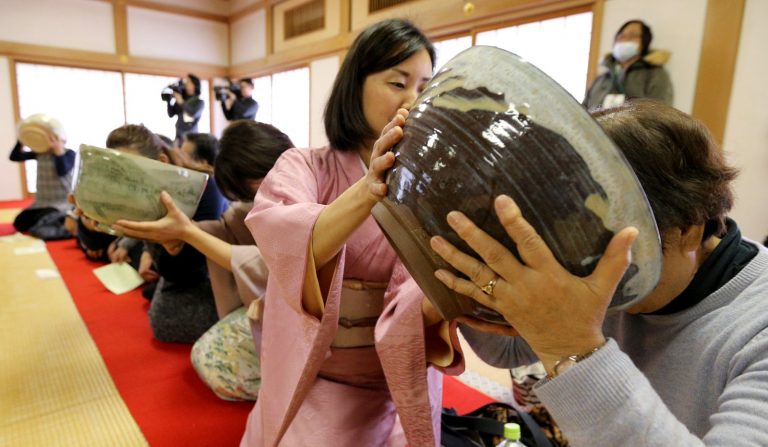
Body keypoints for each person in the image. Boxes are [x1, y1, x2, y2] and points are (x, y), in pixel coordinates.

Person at [429, 100, 768, 445]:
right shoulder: (607, 261)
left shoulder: (756, 329)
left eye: (602, 239)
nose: (584, 262)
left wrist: (572, 347)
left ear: (689, 229)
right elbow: (509, 350)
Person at [241, 19, 462, 446]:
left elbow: (423, 295)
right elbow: (282, 240)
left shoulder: (431, 187)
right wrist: (368, 189)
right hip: (314, 375)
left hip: (396, 375)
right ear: (354, 86)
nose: (414, 100)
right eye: (398, 83)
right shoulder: (303, 165)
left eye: (425, 86)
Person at [113, 121, 294, 400]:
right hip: (238, 286)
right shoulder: (240, 210)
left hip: (305, 309)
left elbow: (283, 261)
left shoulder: (202, 187)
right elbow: (211, 238)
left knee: (194, 343)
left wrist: (187, 234)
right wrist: (162, 240)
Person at [583, 20, 673, 110]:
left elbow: (660, 114)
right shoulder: (602, 78)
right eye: (620, 36)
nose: (624, 39)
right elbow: (584, 111)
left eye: (632, 35)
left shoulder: (656, 74)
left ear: (644, 42)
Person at [9, 135, 75, 239]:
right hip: (41, 203)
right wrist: (21, 141)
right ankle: (56, 221)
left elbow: (62, 170)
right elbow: (14, 156)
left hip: (61, 203)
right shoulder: (40, 153)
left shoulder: (70, 154)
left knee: (42, 223)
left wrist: (58, 151)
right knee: (19, 223)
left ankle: (66, 221)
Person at [167, 74, 205, 144]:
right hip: (178, 137)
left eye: (188, 82)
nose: (185, 84)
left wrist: (180, 101)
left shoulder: (199, 102)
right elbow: (171, 114)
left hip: (191, 138)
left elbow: (192, 113)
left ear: (194, 85)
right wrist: (169, 101)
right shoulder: (183, 100)